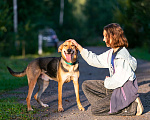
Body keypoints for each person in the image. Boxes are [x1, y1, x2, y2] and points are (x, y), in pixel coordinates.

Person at [68, 23, 144, 116]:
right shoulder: (112, 52)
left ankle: (131, 107)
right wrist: (79, 47)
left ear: (113, 36)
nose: (103, 39)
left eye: (105, 36)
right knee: (86, 85)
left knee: (95, 109)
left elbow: (118, 81)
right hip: (115, 88)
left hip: (124, 92)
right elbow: (95, 60)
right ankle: (111, 105)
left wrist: (108, 81)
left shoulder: (122, 57)